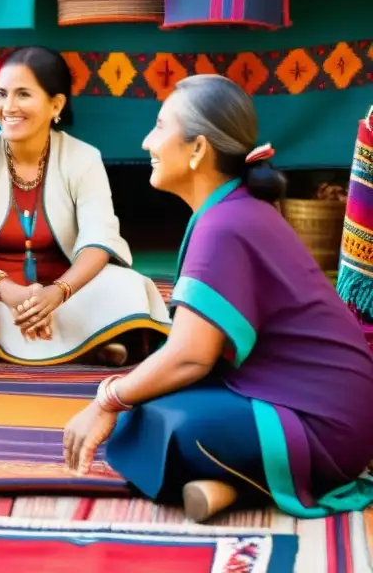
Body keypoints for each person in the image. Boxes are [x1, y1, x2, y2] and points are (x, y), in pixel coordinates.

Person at [63, 74, 373, 522]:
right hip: (321, 411)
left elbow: (191, 357)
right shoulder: (232, 209)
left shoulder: (226, 223)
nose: (148, 141)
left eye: (160, 126)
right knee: (147, 407)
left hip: (323, 427)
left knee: (156, 422)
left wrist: (106, 399)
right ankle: (223, 488)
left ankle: (256, 482)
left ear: (197, 150)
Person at [0, 47, 170, 366]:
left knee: (128, 285)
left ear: (56, 104)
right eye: (1, 94)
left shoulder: (84, 157)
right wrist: (5, 289)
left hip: (63, 297)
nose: (8, 107)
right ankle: (91, 345)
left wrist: (58, 292)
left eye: (23, 94)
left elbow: (101, 237)